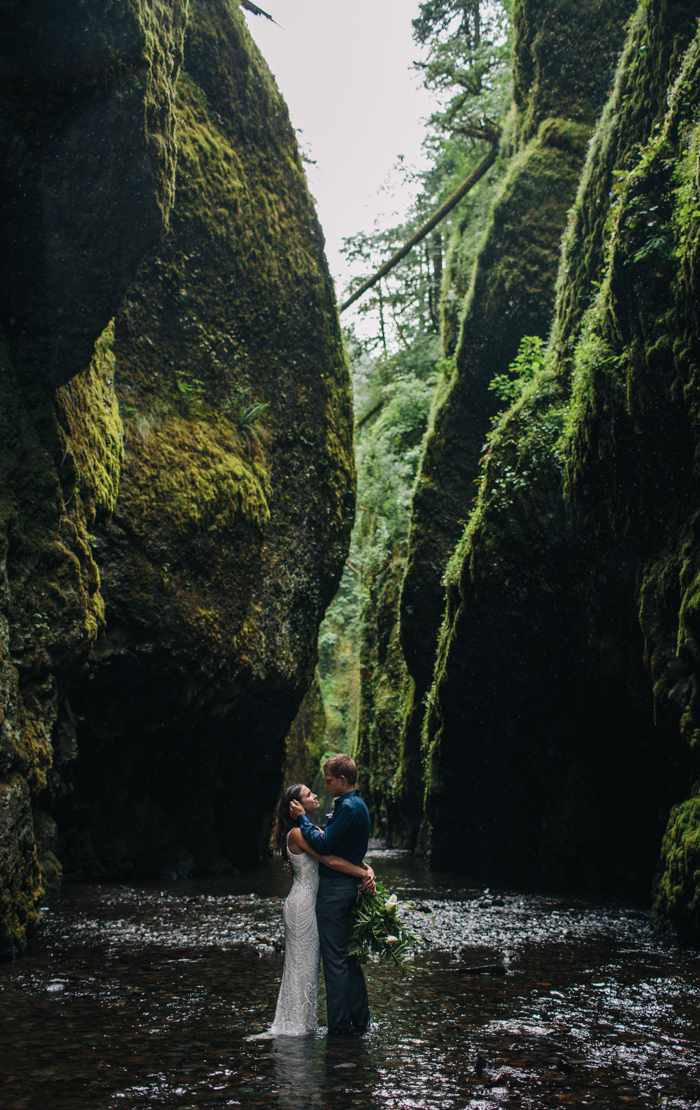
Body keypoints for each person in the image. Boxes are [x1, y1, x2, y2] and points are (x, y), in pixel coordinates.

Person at [269, 782, 375, 1037]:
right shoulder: (298, 833)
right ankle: (295, 1025)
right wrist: (363, 873)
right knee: (301, 965)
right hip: (302, 905)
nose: (315, 795)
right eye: (308, 795)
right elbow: (329, 860)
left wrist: (367, 868)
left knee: (306, 966)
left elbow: (333, 848)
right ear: (296, 806)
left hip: (310, 901)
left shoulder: (309, 831)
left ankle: (302, 1023)